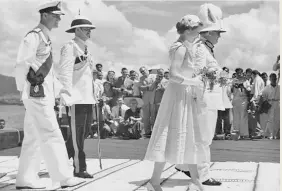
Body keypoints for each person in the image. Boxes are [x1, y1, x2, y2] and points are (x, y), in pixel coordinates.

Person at [14, 1, 85, 189]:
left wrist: (59, 89)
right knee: (52, 133)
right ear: (45, 15)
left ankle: (25, 179)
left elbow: (46, 70)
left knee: (33, 136)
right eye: (56, 16)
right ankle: (63, 177)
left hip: (40, 94)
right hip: (37, 94)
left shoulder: (44, 37)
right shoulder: (34, 36)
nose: (59, 20)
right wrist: (25, 89)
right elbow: (22, 64)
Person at [144, 14, 207, 191]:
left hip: (184, 94)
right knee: (170, 135)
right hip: (178, 95)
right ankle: (155, 181)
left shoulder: (185, 46)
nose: (198, 35)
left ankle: (195, 180)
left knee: (189, 136)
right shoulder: (181, 48)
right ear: (187, 31)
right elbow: (173, 75)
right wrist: (194, 82)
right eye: (196, 32)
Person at [175, 3, 227, 186]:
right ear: (208, 32)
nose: (219, 36)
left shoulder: (205, 48)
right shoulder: (200, 48)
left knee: (201, 137)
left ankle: (184, 165)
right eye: (217, 32)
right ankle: (204, 174)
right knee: (203, 138)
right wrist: (219, 76)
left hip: (208, 96)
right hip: (203, 98)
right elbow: (197, 72)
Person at [58, 15, 96, 178]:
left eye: (90, 30)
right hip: (76, 98)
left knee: (84, 132)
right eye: (87, 29)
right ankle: (79, 168)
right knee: (78, 134)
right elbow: (65, 72)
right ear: (77, 30)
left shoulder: (86, 48)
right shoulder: (70, 47)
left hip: (88, 98)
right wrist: (65, 95)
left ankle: (60, 160)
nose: (89, 32)